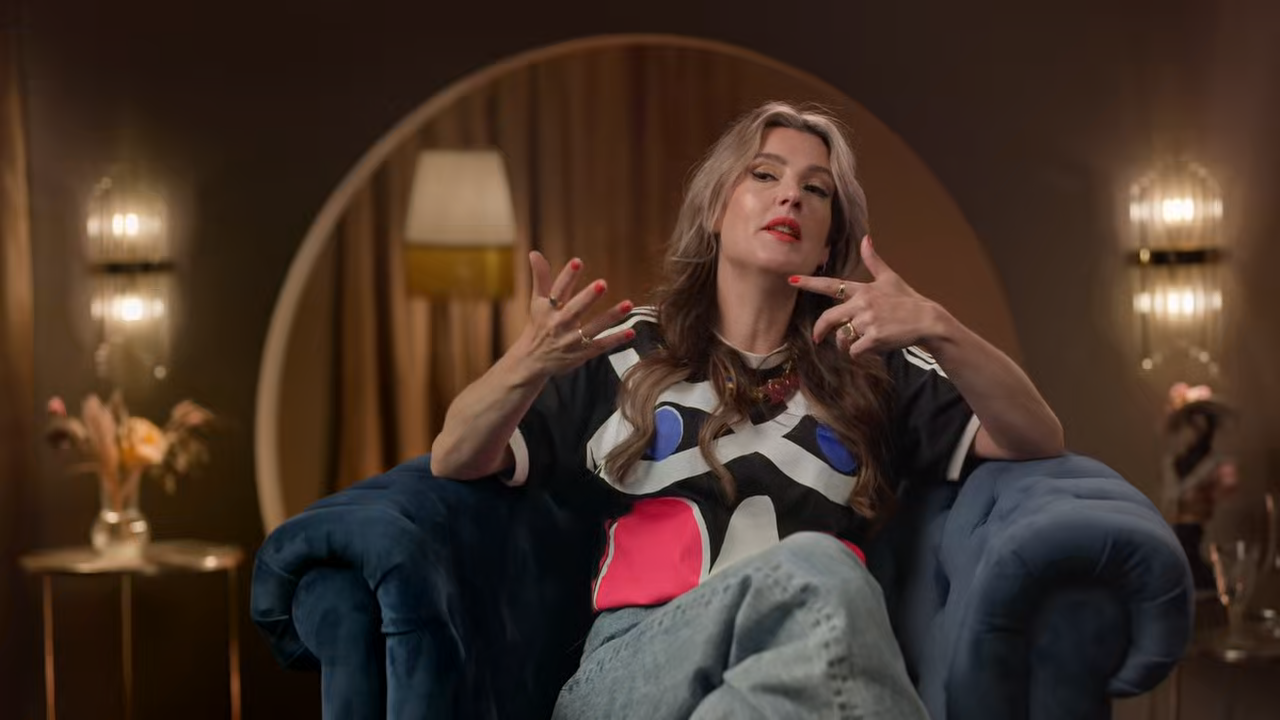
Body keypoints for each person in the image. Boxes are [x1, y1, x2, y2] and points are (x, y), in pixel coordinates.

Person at [429, 101, 1065, 719]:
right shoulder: (625, 350)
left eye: (815, 190)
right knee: (822, 569)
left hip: (800, 675)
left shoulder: (868, 364)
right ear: (714, 209)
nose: (791, 196)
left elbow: (1034, 435)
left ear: (827, 246)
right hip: (633, 669)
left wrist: (939, 327)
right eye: (764, 175)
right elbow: (454, 456)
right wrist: (526, 364)